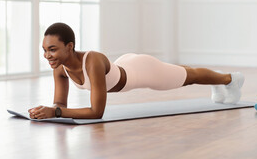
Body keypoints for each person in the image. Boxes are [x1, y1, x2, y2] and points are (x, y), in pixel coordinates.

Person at [28, 23, 244, 119]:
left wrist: (56, 112)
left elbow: (96, 112)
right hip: (125, 64)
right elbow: (60, 105)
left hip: (142, 71)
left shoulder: (91, 60)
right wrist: (46, 110)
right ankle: (217, 78)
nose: (47, 56)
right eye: (45, 50)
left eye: (52, 50)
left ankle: (230, 79)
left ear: (70, 46)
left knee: (189, 76)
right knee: (184, 71)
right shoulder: (60, 69)